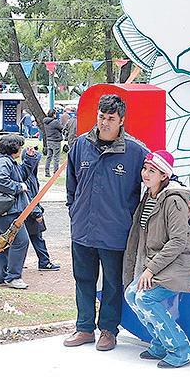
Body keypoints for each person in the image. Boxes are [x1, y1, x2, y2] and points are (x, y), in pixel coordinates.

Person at [64, 94, 149, 352]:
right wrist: (74, 211)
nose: (104, 123)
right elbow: (71, 185)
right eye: (101, 117)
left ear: (121, 120)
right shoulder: (80, 145)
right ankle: (84, 327)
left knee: (113, 284)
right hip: (82, 230)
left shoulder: (135, 151)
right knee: (83, 279)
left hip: (116, 232)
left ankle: (109, 330)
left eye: (111, 118)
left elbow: (157, 179)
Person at [123, 151, 190, 368]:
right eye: (145, 169)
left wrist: (150, 270)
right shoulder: (150, 196)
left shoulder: (173, 201)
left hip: (181, 264)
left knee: (145, 298)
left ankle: (181, 350)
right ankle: (160, 343)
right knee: (131, 294)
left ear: (164, 175)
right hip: (162, 263)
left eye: (152, 171)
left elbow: (178, 241)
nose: (145, 174)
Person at [0, 135, 32, 289]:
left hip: (5, 211)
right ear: (14, 147)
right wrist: (18, 187)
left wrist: (30, 159)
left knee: (3, 243)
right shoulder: (4, 162)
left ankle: (0, 277)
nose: (21, 149)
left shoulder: (6, 161)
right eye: (20, 146)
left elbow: (22, 175)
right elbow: (0, 180)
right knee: (20, 241)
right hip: (8, 211)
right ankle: (13, 277)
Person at [21, 146, 59, 271]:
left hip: (30, 211)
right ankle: (44, 262)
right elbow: (29, 197)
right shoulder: (27, 177)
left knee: (33, 239)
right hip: (29, 213)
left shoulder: (31, 175)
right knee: (35, 238)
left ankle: (40, 261)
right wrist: (37, 213)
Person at [43, 110, 69, 178]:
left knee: (49, 157)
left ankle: (47, 172)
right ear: (53, 114)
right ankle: (56, 172)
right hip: (56, 141)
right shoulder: (55, 122)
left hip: (49, 140)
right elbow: (62, 128)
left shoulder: (45, 122)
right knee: (56, 157)